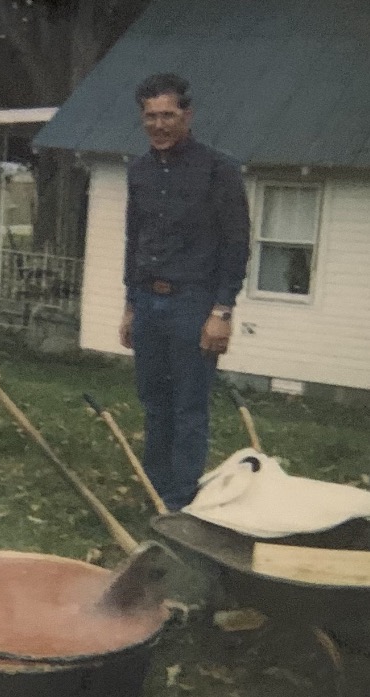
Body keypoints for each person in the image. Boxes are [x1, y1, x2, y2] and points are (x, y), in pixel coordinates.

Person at [118, 73, 250, 511]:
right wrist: (131, 304)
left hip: (195, 304)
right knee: (155, 404)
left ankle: (179, 505)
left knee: (188, 409)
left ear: (187, 115)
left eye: (168, 115)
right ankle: (155, 494)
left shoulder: (219, 169)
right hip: (148, 302)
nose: (159, 125)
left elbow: (236, 244)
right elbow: (134, 239)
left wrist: (222, 310)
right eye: (150, 116)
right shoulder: (137, 171)